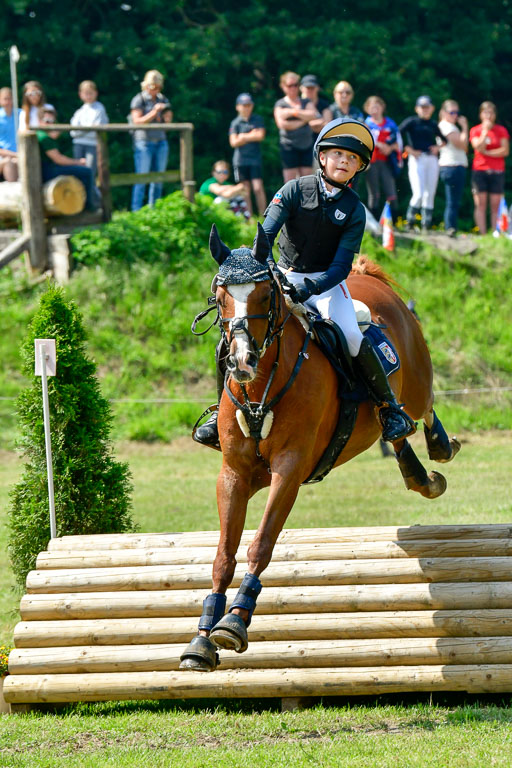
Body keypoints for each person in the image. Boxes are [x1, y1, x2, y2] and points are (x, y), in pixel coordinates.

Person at [194, 118, 416, 447]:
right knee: (233, 337)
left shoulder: (354, 209)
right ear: (322, 158)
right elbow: (264, 241)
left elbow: (342, 266)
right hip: (283, 274)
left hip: (327, 284)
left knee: (353, 336)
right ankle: (218, 412)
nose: (344, 161)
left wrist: (309, 289)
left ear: (358, 168)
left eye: (352, 158)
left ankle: (389, 409)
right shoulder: (294, 190)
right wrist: (276, 277)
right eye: (338, 154)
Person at [36, 106, 97, 211]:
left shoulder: (42, 134)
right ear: (39, 121)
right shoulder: (44, 137)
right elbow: (58, 159)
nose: (50, 124)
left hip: (45, 169)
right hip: (48, 170)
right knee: (87, 172)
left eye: (51, 121)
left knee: (82, 172)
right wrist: (78, 162)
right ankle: (87, 206)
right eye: (46, 121)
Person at [399, 95, 446, 231]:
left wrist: (437, 147)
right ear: (417, 108)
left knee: (429, 193)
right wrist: (408, 148)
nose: (425, 110)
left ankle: (426, 224)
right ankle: (410, 222)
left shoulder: (432, 124)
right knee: (418, 193)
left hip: (430, 158)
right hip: (417, 158)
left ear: (432, 109)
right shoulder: (412, 122)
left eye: (427, 107)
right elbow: (397, 133)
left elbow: (444, 140)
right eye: (422, 107)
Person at [130, 70, 172, 211]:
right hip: (144, 142)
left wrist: (166, 115)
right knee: (141, 178)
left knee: (158, 179)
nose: (154, 89)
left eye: (157, 87)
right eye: (152, 86)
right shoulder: (139, 99)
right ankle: (136, 212)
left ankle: (155, 211)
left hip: (161, 141)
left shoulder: (163, 99)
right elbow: (137, 121)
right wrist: (154, 112)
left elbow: (167, 124)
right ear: (146, 85)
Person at [469, 101, 509, 235]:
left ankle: (495, 233)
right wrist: (485, 131)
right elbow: (477, 146)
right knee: (480, 203)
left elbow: (505, 150)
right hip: (479, 170)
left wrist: (488, 153)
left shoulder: (501, 130)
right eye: (485, 112)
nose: (488, 115)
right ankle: (483, 233)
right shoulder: (475, 130)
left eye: (491, 112)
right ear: (481, 115)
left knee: (495, 204)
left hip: (497, 171)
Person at [274, 71, 318, 182]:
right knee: (290, 183)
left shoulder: (306, 101)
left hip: (306, 145)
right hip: (289, 147)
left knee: (306, 181)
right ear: (283, 86)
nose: (293, 88)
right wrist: (304, 119)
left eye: (296, 85)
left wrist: (292, 112)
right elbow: (282, 124)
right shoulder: (280, 104)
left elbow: (313, 115)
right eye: (290, 85)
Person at [363, 95, 401, 222]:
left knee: (391, 191)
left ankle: (395, 223)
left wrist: (389, 148)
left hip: (387, 161)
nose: (375, 110)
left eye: (377, 107)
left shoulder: (391, 124)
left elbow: (398, 143)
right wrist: (379, 144)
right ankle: (373, 222)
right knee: (374, 193)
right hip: (372, 162)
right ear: (367, 109)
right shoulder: (366, 124)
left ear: (382, 108)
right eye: (371, 107)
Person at [229, 93, 266, 216]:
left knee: (258, 188)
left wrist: (242, 136)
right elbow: (233, 142)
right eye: (244, 105)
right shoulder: (235, 123)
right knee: (245, 190)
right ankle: (248, 218)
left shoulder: (257, 119)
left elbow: (260, 135)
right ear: (237, 107)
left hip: (255, 159)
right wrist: (251, 135)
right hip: (240, 161)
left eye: (249, 105)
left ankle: (264, 216)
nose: (246, 107)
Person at [437, 100, 468, 236]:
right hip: (452, 166)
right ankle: (450, 228)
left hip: (452, 166)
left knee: (454, 200)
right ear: (444, 113)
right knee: (452, 201)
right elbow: (463, 146)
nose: (456, 115)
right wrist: (465, 127)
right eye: (452, 112)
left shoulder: (448, 126)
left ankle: (451, 227)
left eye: (457, 112)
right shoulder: (447, 126)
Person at [70, 80, 108, 186]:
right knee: (78, 172)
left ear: (96, 93)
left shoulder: (99, 109)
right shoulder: (79, 111)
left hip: (92, 145)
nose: (88, 96)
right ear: (80, 94)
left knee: (90, 173)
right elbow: (73, 132)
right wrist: (88, 128)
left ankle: (92, 201)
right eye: (86, 93)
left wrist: (81, 130)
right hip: (78, 145)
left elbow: (96, 130)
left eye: (90, 93)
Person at [299, 74, 331, 138]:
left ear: (318, 88)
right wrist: (321, 121)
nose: (310, 90)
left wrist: (307, 121)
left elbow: (328, 126)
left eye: (312, 88)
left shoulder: (324, 104)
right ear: (301, 88)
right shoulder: (297, 104)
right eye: (308, 88)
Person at [0, 87, 20, 181]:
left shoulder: (21, 114)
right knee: (9, 162)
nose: (8, 102)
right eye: (5, 99)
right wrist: (14, 154)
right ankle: (14, 191)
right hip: (4, 157)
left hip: (19, 155)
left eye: (10, 98)